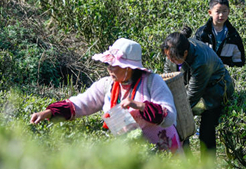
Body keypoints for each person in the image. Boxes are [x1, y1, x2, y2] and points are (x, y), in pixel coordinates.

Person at [30, 38, 181, 152]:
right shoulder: (107, 85)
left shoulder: (152, 82)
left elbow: (170, 117)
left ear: (128, 68)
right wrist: (49, 112)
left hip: (164, 150)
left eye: (114, 66)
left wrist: (139, 105)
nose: (109, 69)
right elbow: (81, 103)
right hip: (131, 152)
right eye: (108, 65)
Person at [162, 26, 234, 155]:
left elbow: (193, 93)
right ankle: (188, 165)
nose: (170, 61)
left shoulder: (201, 60)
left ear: (185, 53)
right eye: (169, 58)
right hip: (196, 86)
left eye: (173, 59)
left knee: (206, 130)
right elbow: (169, 77)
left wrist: (176, 112)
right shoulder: (172, 52)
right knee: (181, 125)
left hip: (215, 90)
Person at [194, 0, 245, 67]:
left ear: (228, 12)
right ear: (210, 13)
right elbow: (195, 55)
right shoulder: (202, 33)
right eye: (217, 12)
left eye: (224, 11)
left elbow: (239, 60)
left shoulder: (233, 35)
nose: (221, 15)